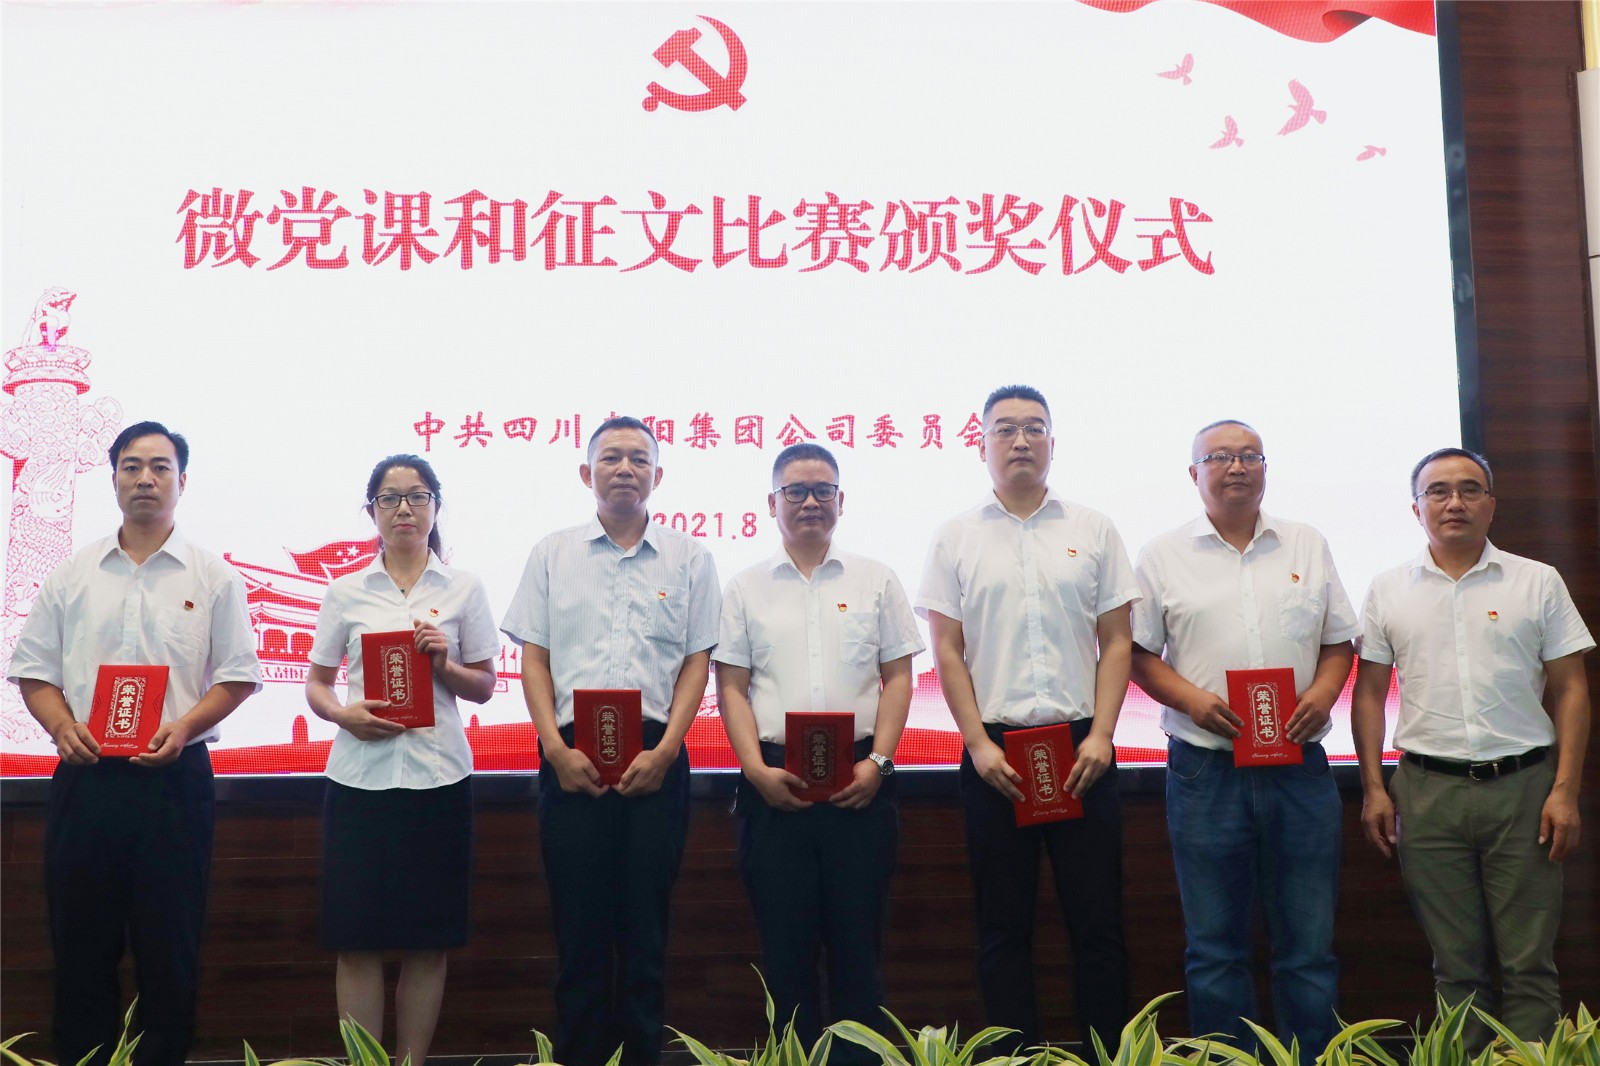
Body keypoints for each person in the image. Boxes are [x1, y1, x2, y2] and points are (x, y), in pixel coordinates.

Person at [7, 420, 262, 1066]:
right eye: (131, 466)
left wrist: (186, 726)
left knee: (169, 950)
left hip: (174, 782)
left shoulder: (213, 577)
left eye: (159, 467)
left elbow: (237, 676)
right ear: (114, 478)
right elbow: (34, 671)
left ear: (182, 481)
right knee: (80, 948)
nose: (145, 478)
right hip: (88, 778)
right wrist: (60, 727)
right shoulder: (74, 573)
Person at [916, 385, 1137, 1051]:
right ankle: (1013, 1060)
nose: (1020, 441)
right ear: (981, 444)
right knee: (1003, 929)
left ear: (1052, 443)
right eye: (1005, 429)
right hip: (995, 756)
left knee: (1098, 927)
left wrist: (1103, 735)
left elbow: (1117, 641)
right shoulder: (956, 536)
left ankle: (1107, 1056)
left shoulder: (1092, 528)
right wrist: (977, 744)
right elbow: (946, 649)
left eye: (1034, 428)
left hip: (1082, 749)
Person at [1128, 420, 1356, 1053]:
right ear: (1194, 472)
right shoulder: (1161, 554)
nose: (1236, 467)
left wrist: (1323, 694)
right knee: (1214, 950)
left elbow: (1338, 641)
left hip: (1299, 767)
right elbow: (1138, 655)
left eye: (1250, 456)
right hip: (1206, 771)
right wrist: (1191, 700)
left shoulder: (1306, 543)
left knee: (1308, 949)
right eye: (1220, 457)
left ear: (1264, 468)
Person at [500, 416, 721, 1066]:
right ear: (586, 472)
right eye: (611, 457)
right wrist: (554, 749)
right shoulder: (552, 554)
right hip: (571, 759)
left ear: (658, 474)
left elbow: (697, 662)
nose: (625, 468)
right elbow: (534, 659)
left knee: (647, 935)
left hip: (657, 758)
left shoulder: (690, 558)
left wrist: (668, 750)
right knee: (580, 936)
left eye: (638, 458)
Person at [1351, 447, 1592, 1043]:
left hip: (1524, 790)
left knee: (1530, 964)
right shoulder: (1387, 589)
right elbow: (1369, 694)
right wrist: (1374, 788)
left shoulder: (1537, 581)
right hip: (1426, 793)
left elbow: (1571, 690)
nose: (1453, 502)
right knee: (1455, 968)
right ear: (1416, 508)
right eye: (1437, 491)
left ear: (1491, 504)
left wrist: (1565, 791)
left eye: (1469, 489)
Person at [714, 443, 923, 1058]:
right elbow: (731, 687)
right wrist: (754, 770)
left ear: (841, 500)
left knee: (860, 951)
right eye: (796, 491)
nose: (810, 501)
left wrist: (878, 762)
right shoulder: (745, 587)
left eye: (823, 490)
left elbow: (899, 677)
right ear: (771, 503)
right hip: (774, 784)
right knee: (786, 955)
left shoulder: (876, 579)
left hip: (861, 781)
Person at [304, 454, 498, 1063]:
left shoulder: (464, 587)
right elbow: (317, 684)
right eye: (389, 498)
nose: (404, 509)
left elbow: (484, 686)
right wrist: (343, 715)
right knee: (356, 939)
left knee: (428, 941)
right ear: (372, 512)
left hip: (439, 780)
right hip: (359, 782)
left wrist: (446, 664)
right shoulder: (344, 591)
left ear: (436, 506)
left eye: (417, 496)